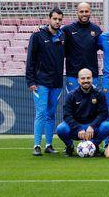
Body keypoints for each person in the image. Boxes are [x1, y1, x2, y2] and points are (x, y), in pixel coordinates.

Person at [26, 8, 66, 156]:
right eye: (55, 19)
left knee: (51, 114)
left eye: (59, 19)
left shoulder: (63, 36)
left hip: (56, 82)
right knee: (41, 113)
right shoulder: (37, 35)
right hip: (41, 82)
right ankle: (37, 145)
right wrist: (30, 81)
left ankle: (49, 144)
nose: (57, 22)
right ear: (49, 19)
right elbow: (30, 60)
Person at [56, 68, 109, 157]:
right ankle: (69, 146)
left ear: (92, 79)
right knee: (61, 128)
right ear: (78, 80)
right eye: (83, 78)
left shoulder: (99, 94)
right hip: (77, 129)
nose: (86, 81)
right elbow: (67, 116)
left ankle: (93, 145)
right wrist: (78, 128)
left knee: (107, 126)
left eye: (88, 78)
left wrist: (92, 126)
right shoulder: (71, 95)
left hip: (92, 128)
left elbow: (103, 114)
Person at [62, 2, 102, 93]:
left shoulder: (96, 29)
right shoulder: (67, 29)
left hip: (92, 74)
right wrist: (42, 28)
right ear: (77, 13)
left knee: (92, 104)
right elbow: (53, 32)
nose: (84, 14)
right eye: (81, 11)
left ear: (90, 12)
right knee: (73, 103)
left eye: (86, 11)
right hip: (73, 75)